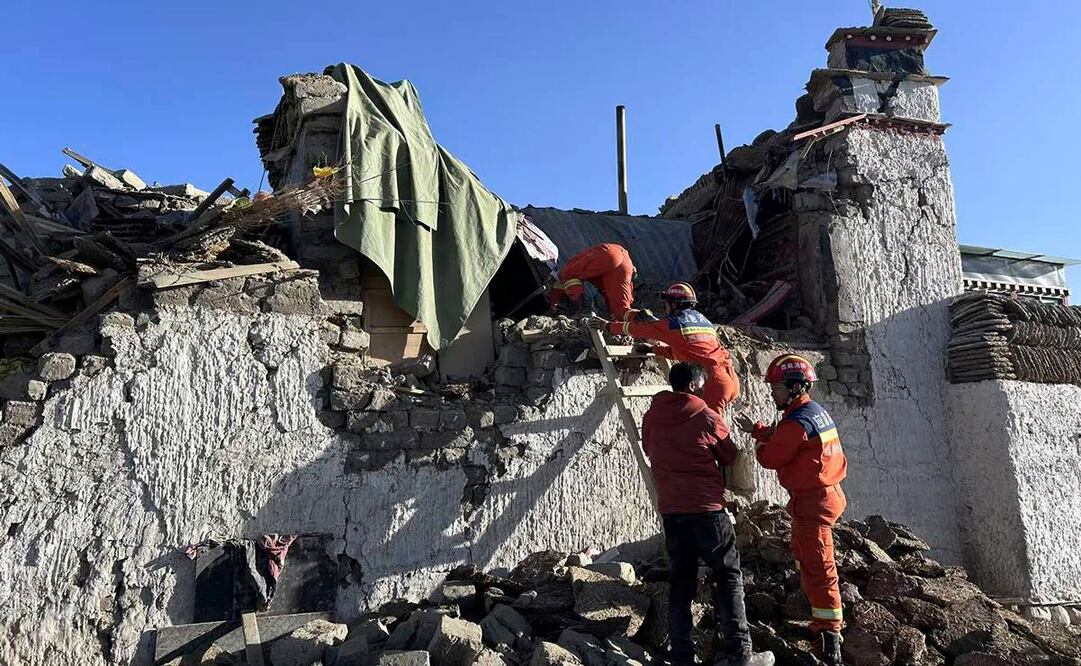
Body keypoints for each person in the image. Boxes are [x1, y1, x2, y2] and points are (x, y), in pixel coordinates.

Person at [642, 362, 774, 666]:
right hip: (707, 512)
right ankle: (740, 653)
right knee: (728, 577)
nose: (704, 391)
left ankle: (682, 655)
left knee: (681, 581)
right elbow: (729, 455)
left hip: (673, 513)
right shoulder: (705, 415)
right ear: (691, 386)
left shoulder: (652, 416)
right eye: (701, 386)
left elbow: (650, 449)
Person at [733, 354, 848, 666]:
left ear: (795, 387)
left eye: (777, 387)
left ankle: (829, 637)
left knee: (820, 568)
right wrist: (758, 430)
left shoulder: (798, 421)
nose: (773, 392)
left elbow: (772, 457)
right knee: (805, 555)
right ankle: (819, 622)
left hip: (814, 503)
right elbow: (788, 438)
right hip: (819, 497)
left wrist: (757, 446)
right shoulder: (810, 413)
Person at [591, 282, 740, 414]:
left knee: (707, 434)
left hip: (714, 383)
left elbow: (639, 329)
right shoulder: (703, 321)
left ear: (674, 304)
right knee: (711, 430)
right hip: (731, 379)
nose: (665, 307)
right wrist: (654, 350)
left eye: (667, 303)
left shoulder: (673, 324)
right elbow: (689, 352)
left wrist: (608, 326)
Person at [549, 243, 636, 320]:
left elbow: (562, 278)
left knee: (566, 275)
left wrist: (553, 305)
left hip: (608, 253)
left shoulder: (572, 263)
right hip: (626, 262)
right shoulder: (595, 273)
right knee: (621, 310)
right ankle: (644, 319)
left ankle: (585, 309)